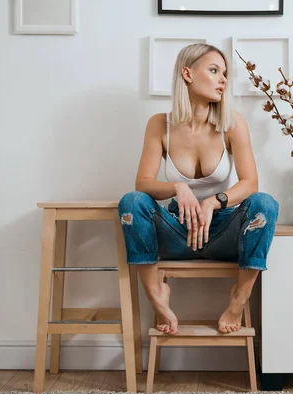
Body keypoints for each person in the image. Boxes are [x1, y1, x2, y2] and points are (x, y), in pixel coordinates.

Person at [118, 43, 278, 336]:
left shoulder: (232, 124)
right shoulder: (159, 124)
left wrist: (215, 202)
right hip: (177, 231)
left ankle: (238, 299)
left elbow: (250, 183)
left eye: (225, 73)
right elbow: (143, 183)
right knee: (132, 201)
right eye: (214, 70)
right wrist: (178, 187)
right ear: (187, 74)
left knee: (265, 204)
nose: (223, 80)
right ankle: (158, 296)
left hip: (221, 233)